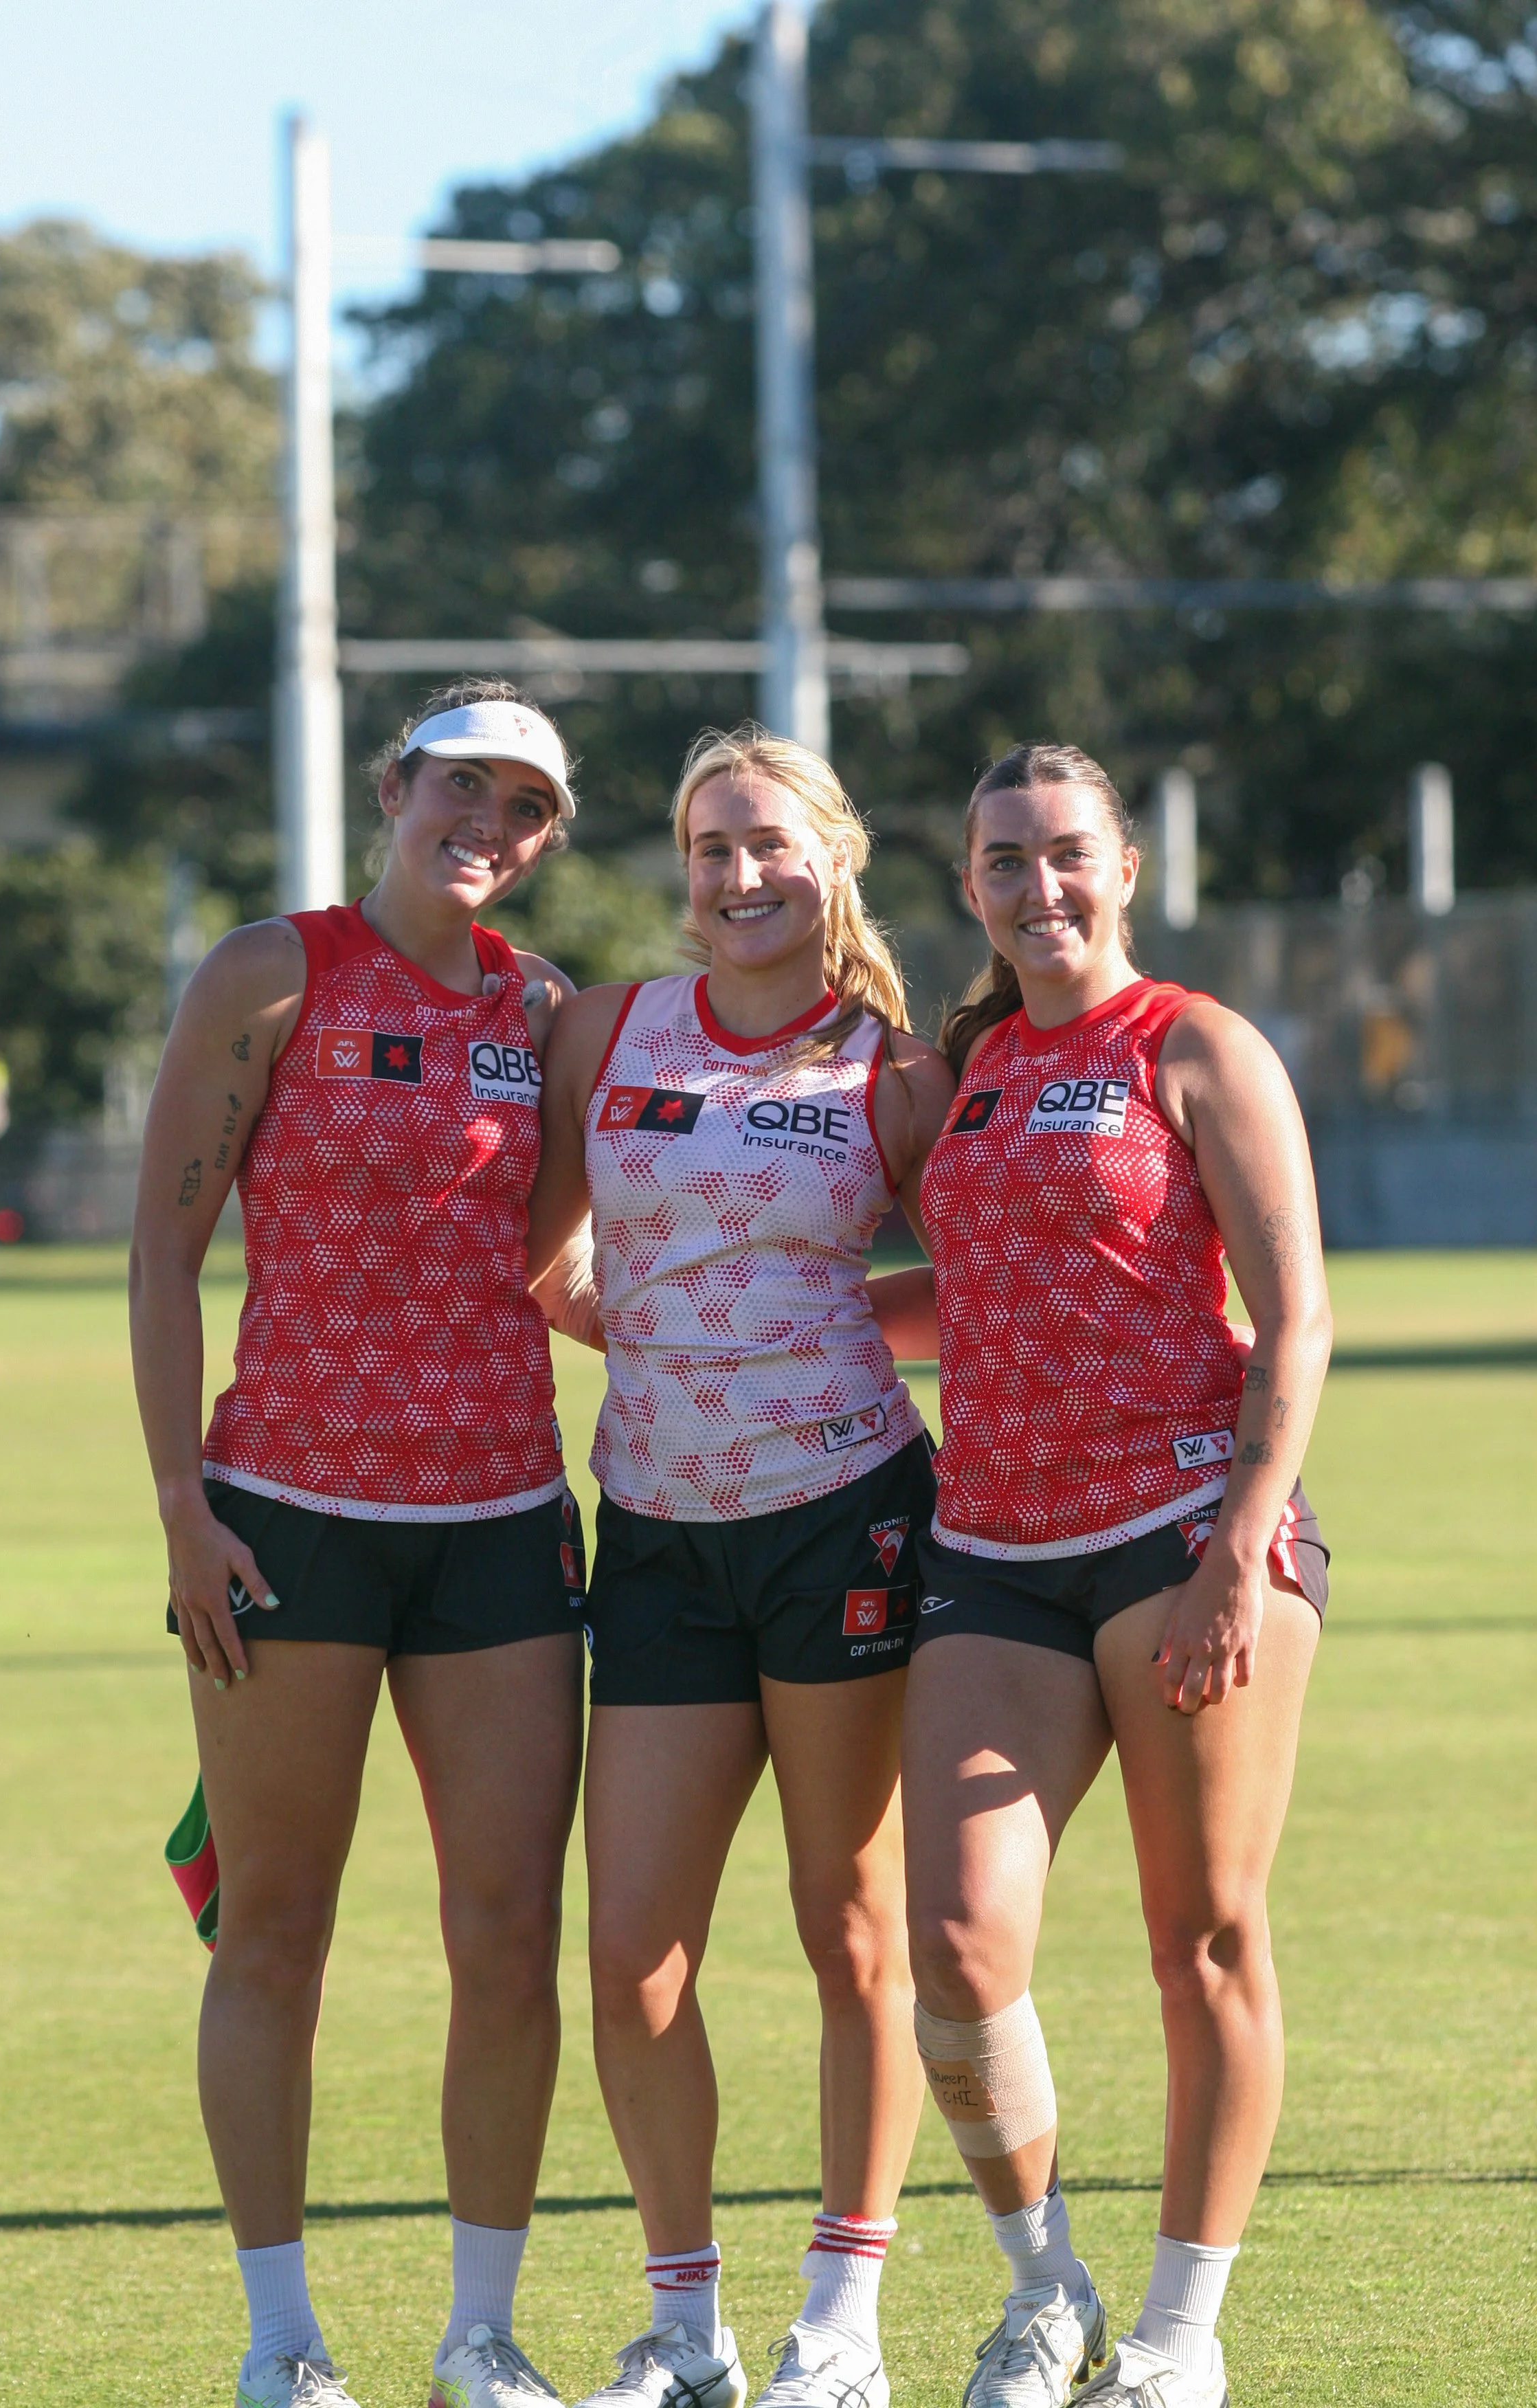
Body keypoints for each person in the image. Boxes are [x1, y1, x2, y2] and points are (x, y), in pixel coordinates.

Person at [130, 682, 594, 2408]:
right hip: (283, 1528)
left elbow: (550, 1274)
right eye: (458, 786)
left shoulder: (543, 1011)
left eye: (524, 805)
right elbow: (164, 1259)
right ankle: (282, 2343)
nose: (486, 822)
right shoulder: (271, 970)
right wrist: (184, 1507)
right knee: (275, 1932)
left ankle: (480, 2338)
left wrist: (765, 1335)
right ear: (394, 787)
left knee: (506, 1931)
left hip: (501, 1532)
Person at [871, 744, 1332, 2408]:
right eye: (1003, 862)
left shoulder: (1197, 1045)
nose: (1037, 887)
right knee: (953, 1942)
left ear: (1123, 866)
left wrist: (1237, 1547)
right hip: (991, 1546)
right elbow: (977, 1291)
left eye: (1067, 854)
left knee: (1199, 1934)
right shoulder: (971, 1061)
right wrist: (808, 1322)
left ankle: (1177, 2332)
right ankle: (1043, 2284)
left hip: (1179, 1535)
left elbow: (1294, 1326)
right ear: (971, 887)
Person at [524, 727, 955, 2408]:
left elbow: (983, 1284)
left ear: (831, 854)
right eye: (708, 847)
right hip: (652, 1528)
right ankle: (681, 2327)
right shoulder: (607, 1029)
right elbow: (538, 1246)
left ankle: (838, 2322)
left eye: (767, 841)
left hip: (842, 1514)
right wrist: (637, 1325)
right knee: (631, 1950)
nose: (737, 874)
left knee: (849, 1926)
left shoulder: (895, 1068)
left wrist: (840, 1327)